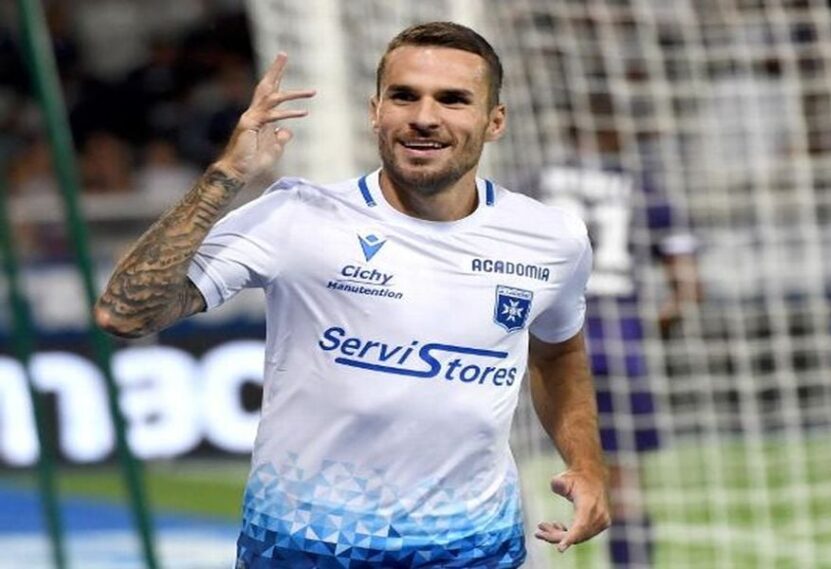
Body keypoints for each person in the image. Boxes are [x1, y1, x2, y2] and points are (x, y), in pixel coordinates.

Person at [95, 21, 609, 568]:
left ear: (495, 121)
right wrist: (228, 173)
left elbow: (558, 353)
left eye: (453, 99)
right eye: (404, 96)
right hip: (303, 544)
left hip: (473, 546)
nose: (425, 116)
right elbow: (124, 315)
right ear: (375, 111)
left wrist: (586, 463)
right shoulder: (296, 215)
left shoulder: (550, 239)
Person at [536, 128, 699, 568]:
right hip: (621, 345)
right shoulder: (644, 186)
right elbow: (687, 286)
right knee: (624, 480)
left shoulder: (538, 182)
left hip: (549, 344)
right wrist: (656, 327)